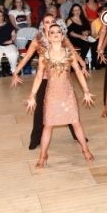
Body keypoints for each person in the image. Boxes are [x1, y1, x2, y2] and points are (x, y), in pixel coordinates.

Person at [12, 13, 87, 149]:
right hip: (44, 79)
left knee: (68, 106)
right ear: (43, 25)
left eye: (52, 21)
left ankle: (77, 135)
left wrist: (83, 64)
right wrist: (16, 71)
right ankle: (35, 139)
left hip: (61, 79)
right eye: (47, 22)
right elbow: (27, 57)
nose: (50, 23)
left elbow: (73, 52)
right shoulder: (38, 40)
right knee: (40, 110)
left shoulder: (60, 37)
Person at [25, 24, 94, 167]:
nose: (56, 34)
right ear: (48, 37)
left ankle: (85, 149)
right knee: (48, 126)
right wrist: (32, 95)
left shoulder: (69, 53)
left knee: (76, 122)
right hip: (52, 95)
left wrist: (86, 91)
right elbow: (39, 76)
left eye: (58, 32)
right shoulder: (44, 55)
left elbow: (78, 72)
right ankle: (43, 155)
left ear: (62, 36)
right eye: (52, 32)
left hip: (67, 94)